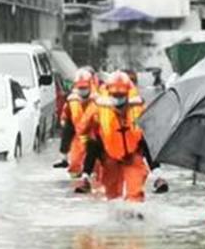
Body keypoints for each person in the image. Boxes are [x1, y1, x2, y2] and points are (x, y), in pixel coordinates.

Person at [78, 71, 149, 202]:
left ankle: (135, 215)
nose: (118, 98)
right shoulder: (98, 106)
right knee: (112, 196)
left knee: (135, 194)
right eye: (115, 95)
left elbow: (149, 131)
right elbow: (83, 128)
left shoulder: (138, 106)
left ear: (128, 92)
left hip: (133, 155)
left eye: (121, 95)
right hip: (109, 155)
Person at [56, 68, 98, 175]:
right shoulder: (72, 100)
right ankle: (75, 187)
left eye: (84, 87)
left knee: (97, 167)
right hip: (78, 136)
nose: (82, 90)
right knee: (74, 165)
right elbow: (66, 120)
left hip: (94, 137)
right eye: (80, 87)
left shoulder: (99, 100)